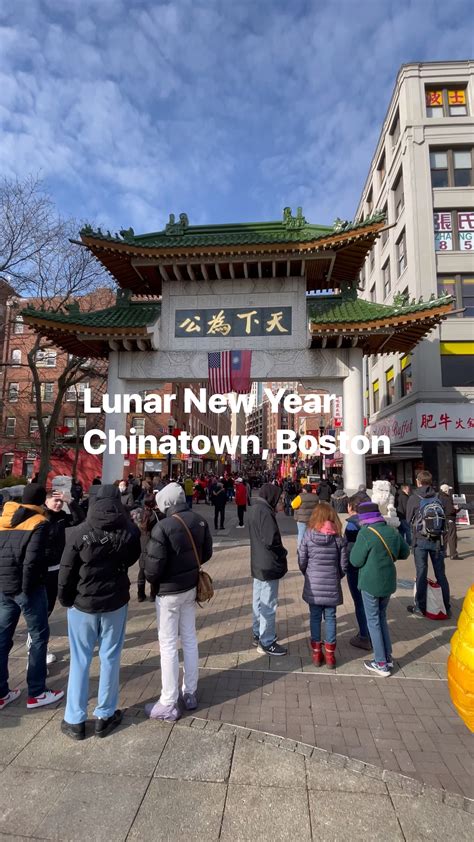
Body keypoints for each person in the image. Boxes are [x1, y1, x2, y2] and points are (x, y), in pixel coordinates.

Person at [58, 485, 140, 740]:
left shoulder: (80, 532)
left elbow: (66, 571)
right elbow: (133, 557)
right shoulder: (128, 530)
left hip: (83, 605)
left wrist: (66, 599)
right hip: (115, 601)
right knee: (110, 657)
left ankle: (75, 720)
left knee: (80, 659)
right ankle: (105, 714)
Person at [143, 483, 212, 721]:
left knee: (169, 646)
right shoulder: (200, 521)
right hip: (190, 587)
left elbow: (151, 570)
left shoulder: (162, 527)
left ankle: (168, 701)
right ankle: (190, 691)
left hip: (168, 593)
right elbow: (207, 553)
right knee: (190, 639)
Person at [0, 485, 64, 711]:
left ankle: (1, 692)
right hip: (27, 589)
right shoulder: (39, 522)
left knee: (3, 637)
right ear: (40, 502)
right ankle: (36, 692)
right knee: (38, 636)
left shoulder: (4, 518)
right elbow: (32, 560)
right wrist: (27, 588)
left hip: (3, 586)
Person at [350, 501, 410, 676]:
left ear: (364, 518)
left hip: (370, 582)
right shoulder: (392, 531)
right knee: (381, 617)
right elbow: (405, 552)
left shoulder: (366, 534)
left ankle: (381, 662)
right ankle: (387, 656)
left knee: (373, 621)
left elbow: (355, 560)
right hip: (388, 582)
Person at [297, 502, 348, 669]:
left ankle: (317, 653)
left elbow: (302, 560)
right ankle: (331, 655)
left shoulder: (308, 535)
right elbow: (343, 565)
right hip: (332, 584)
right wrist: (337, 576)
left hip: (314, 584)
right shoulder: (338, 537)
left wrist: (308, 574)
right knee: (331, 618)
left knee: (315, 618)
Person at [247, 483, 288, 656]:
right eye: (279, 499)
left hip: (258, 562)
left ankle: (258, 633)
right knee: (268, 603)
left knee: (258, 600)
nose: (281, 503)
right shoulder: (265, 512)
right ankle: (267, 640)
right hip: (268, 563)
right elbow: (272, 540)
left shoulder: (256, 509)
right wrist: (283, 552)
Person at [406, 470, 451, 617]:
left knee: (421, 573)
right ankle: (446, 607)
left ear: (418, 481)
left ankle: (420, 607)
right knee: (441, 575)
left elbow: (408, 520)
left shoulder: (414, 498)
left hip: (420, 541)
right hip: (437, 541)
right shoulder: (438, 496)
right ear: (431, 482)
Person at [42, 493, 72, 664]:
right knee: (41, 613)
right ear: (46, 501)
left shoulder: (61, 517)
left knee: (48, 609)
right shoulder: (40, 517)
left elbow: (79, 519)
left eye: (61, 501)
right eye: (56, 501)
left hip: (57, 569)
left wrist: (71, 501)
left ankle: (40, 649)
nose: (59, 504)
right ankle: (36, 653)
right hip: (43, 571)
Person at [344, 494, 372, 651]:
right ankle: (373, 633)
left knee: (360, 602)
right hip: (373, 567)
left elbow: (349, 549)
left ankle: (364, 636)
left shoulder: (352, 525)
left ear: (351, 507)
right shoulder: (376, 521)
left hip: (356, 568)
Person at [131, 494, 158, 602]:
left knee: (142, 570)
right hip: (153, 543)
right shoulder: (156, 515)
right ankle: (153, 594)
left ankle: (140, 594)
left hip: (142, 542)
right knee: (153, 570)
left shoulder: (138, 514)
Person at [439, 482, 460, 560]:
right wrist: (457, 508)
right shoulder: (447, 498)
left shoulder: (439, 497)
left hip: (443, 519)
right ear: (446, 490)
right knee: (452, 536)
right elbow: (450, 510)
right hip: (449, 519)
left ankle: (443, 552)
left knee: (444, 537)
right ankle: (453, 554)